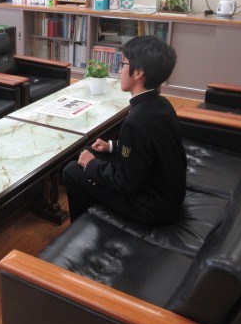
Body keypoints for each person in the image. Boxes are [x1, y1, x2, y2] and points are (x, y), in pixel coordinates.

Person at [63, 35, 187, 225]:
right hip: (168, 194)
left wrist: (92, 165)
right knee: (89, 152)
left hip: (152, 206)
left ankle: (83, 228)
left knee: (72, 171)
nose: (120, 70)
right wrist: (112, 147)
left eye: (124, 64)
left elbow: (125, 182)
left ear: (138, 73)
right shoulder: (162, 104)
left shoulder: (135, 122)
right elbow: (145, 150)